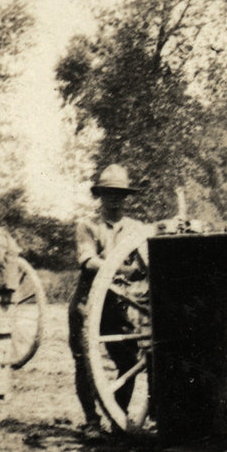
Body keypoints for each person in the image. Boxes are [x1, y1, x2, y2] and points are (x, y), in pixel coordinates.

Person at [68, 164, 150, 437]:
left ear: (126, 197)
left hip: (117, 305)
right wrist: (124, 270)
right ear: (100, 196)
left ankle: (117, 414)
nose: (114, 198)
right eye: (108, 193)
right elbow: (88, 261)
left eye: (119, 194)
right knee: (84, 363)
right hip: (87, 302)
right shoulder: (87, 226)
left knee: (129, 361)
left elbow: (147, 260)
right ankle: (92, 422)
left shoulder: (136, 229)